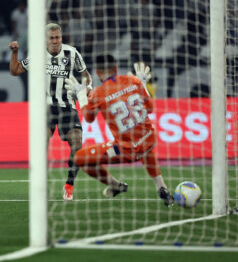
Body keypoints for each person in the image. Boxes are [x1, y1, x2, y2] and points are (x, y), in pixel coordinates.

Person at [65, 55, 174, 206]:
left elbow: (89, 118)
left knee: (80, 158)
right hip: (149, 139)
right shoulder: (133, 81)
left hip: (126, 150)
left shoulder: (99, 93)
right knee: (142, 140)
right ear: (116, 68)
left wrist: (81, 95)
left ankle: (116, 185)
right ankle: (162, 187)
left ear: (97, 72)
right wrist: (142, 85)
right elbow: (150, 108)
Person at [9, 23, 92, 201]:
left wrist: (87, 87)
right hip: (46, 107)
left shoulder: (72, 53)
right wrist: (15, 52)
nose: (55, 41)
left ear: (61, 37)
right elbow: (15, 71)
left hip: (68, 106)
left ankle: (69, 184)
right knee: (41, 146)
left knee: (77, 146)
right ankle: (39, 186)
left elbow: (86, 74)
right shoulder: (39, 55)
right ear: (46, 39)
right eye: (52, 38)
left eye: (58, 38)